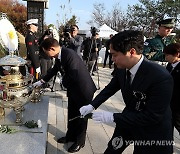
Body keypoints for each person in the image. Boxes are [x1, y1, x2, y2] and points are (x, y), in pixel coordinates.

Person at [80, 30, 174, 154]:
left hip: (152, 129)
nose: (112, 59)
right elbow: (110, 88)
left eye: (115, 55)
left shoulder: (160, 76)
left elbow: (153, 116)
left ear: (131, 52)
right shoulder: (122, 69)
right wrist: (92, 105)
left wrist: (112, 117)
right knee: (112, 149)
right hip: (128, 119)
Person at [33, 38, 96, 153]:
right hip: (74, 89)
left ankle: (79, 142)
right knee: (72, 113)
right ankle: (70, 136)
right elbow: (53, 70)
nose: (46, 55)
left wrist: (62, 83)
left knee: (81, 116)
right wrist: (41, 81)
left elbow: (73, 74)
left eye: (46, 52)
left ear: (52, 49)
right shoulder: (59, 56)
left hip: (83, 89)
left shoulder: (69, 54)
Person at [163, 43, 180, 135]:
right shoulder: (169, 65)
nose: (165, 57)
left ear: (177, 54)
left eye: (167, 55)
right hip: (169, 102)